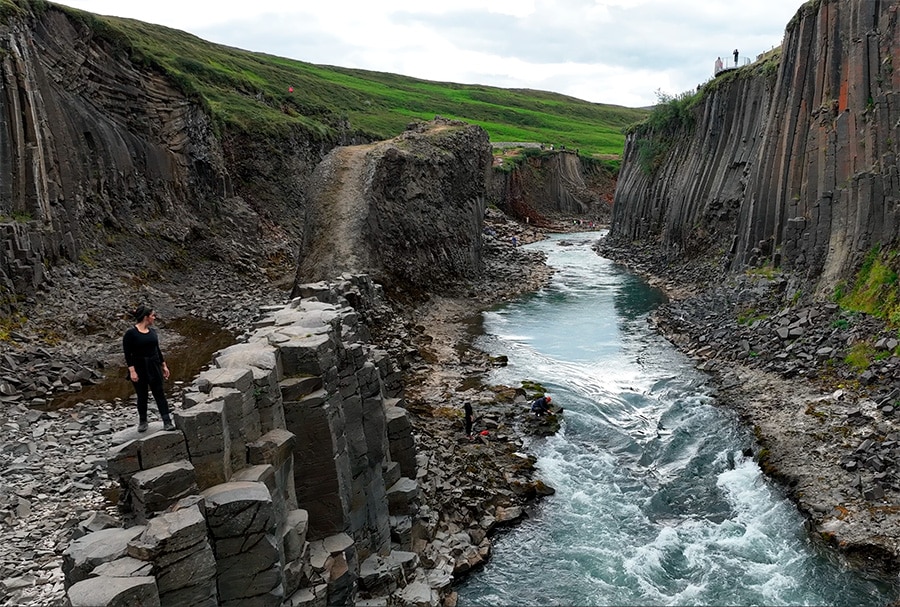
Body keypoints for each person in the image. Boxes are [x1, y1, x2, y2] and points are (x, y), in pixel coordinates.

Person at [123, 305, 174, 432]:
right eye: (152, 316)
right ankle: (143, 421)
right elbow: (127, 354)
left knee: (159, 393)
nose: (154, 318)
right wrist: (132, 371)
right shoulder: (130, 334)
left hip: (154, 365)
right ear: (146, 317)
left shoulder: (152, 332)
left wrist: (164, 365)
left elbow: (157, 350)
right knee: (142, 395)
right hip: (139, 367)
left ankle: (167, 421)